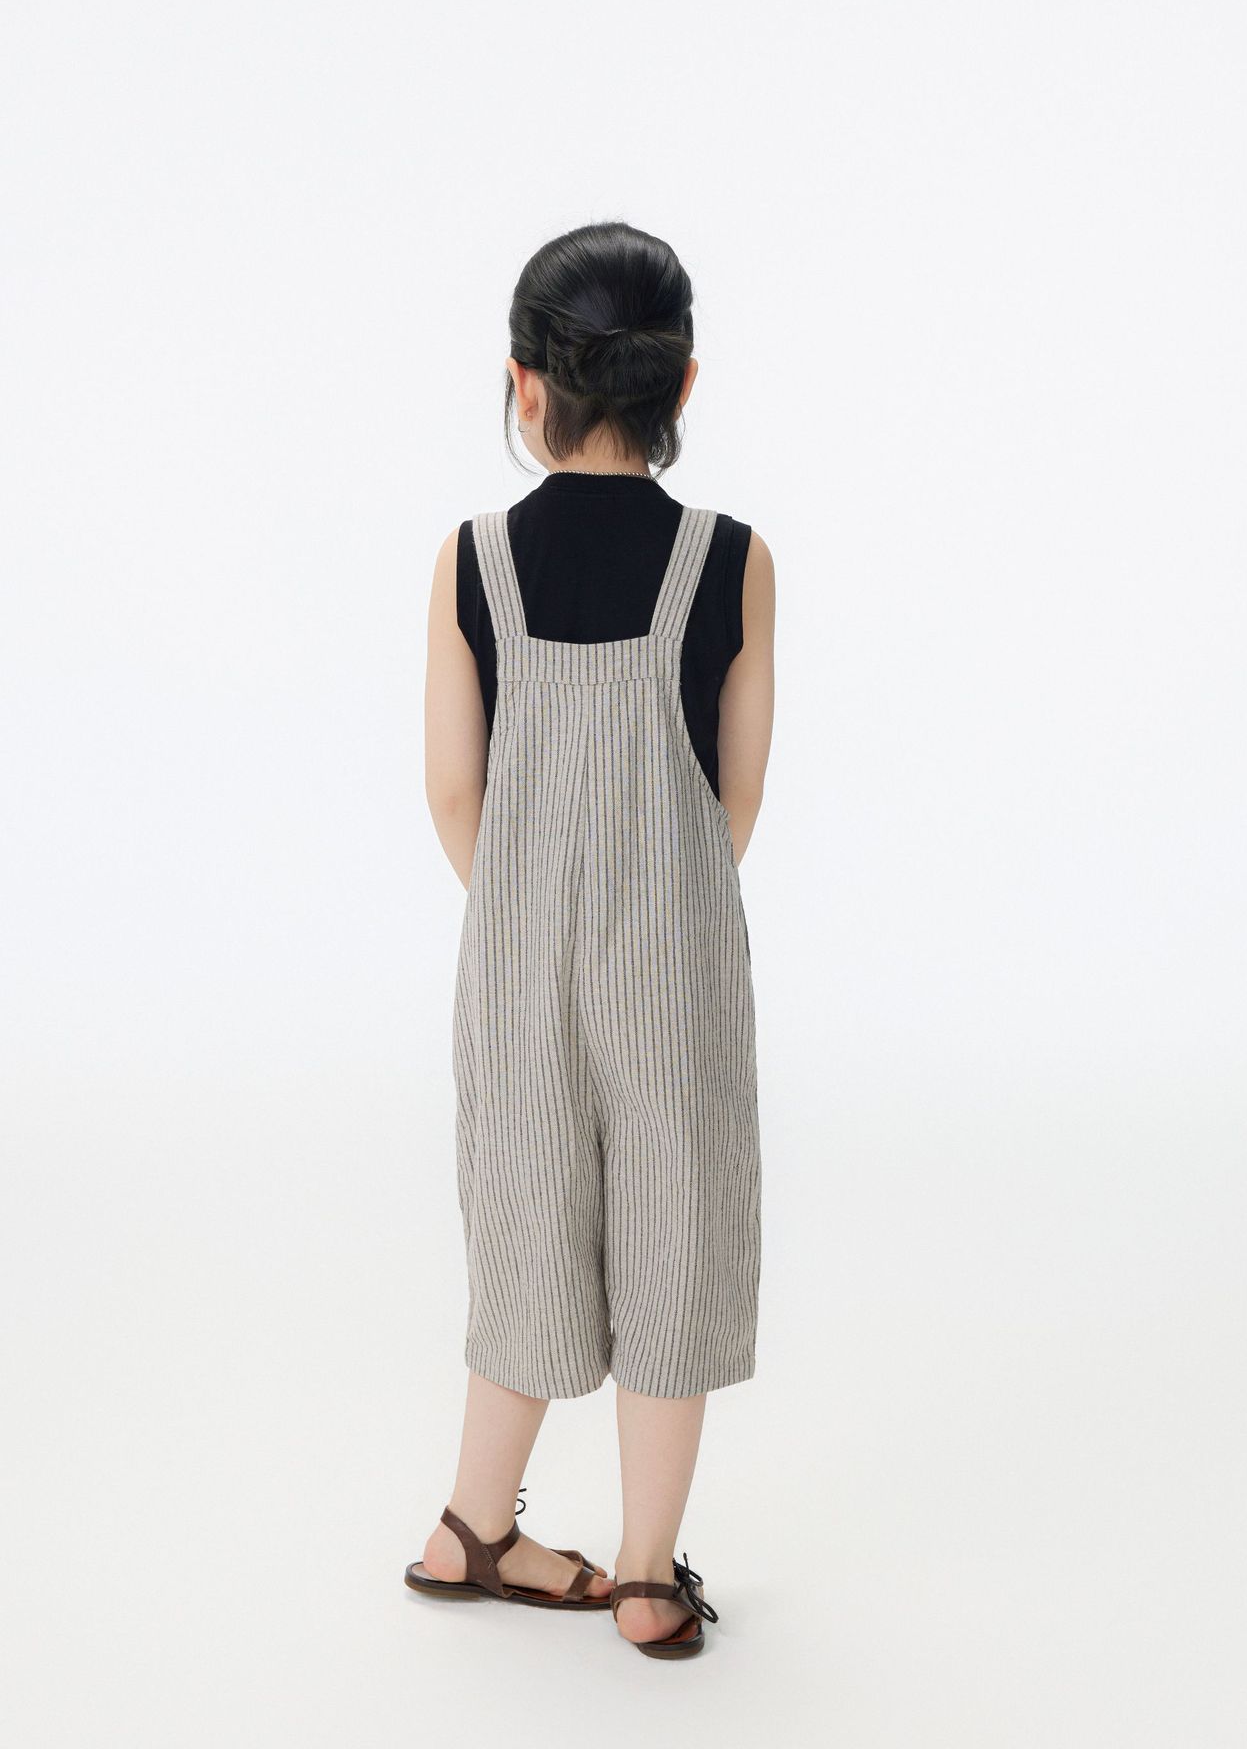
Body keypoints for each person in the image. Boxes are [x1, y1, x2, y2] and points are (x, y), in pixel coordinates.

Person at [410, 221, 774, 1659]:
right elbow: (736, 799)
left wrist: (525, 908)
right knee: (676, 1240)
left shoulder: (473, 562)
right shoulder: (731, 562)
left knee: (526, 1226)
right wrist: (650, 901)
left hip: (516, 966)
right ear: (682, 383)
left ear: (524, 382)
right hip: (672, 969)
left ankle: (469, 1525)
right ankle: (642, 1577)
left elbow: (454, 793)